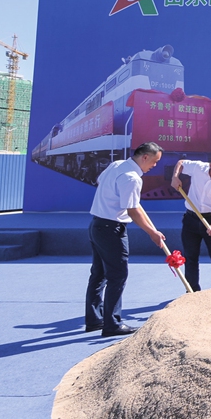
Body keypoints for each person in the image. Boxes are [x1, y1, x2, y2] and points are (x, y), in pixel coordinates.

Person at [85, 141, 166, 336]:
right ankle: (111, 323)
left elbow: (101, 182)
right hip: (112, 230)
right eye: (154, 162)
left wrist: (153, 228)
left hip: (97, 225)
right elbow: (132, 209)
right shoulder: (132, 178)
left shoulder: (116, 165)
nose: (154, 166)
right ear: (144, 157)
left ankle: (95, 319)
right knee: (117, 275)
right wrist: (151, 233)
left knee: (98, 274)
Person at [170, 153, 211, 291]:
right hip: (191, 219)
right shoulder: (198, 168)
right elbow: (181, 163)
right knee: (190, 257)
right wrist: (175, 177)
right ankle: (192, 291)